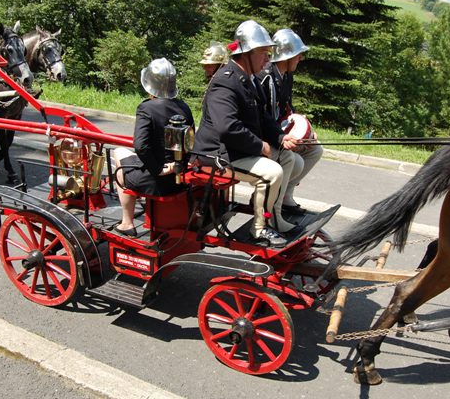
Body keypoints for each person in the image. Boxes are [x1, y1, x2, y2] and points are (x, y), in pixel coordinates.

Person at [193, 20, 301, 247]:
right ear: (247, 53)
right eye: (263, 53)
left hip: (235, 150)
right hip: (217, 154)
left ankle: (274, 217)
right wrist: (259, 146)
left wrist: (281, 138)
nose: (267, 59)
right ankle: (260, 229)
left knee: (288, 158)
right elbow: (227, 128)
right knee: (272, 173)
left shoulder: (248, 78)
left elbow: (263, 116)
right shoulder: (225, 82)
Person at [113, 58, 194, 237]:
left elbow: (141, 146)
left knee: (118, 156)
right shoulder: (184, 107)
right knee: (124, 154)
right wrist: (175, 166)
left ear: (150, 86)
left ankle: (127, 223)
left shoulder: (146, 108)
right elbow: (189, 142)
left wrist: (158, 169)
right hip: (178, 178)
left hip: (157, 181)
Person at [257, 28, 323, 215]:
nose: (300, 59)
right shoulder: (266, 76)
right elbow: (263, 116)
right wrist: (282, 138)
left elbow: (288, 108)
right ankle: (272, 209)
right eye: (297, 54)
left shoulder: (287, 75)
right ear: (286, 56)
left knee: (315, 148)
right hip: (267, 137)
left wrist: (305, 131)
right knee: (296, 162)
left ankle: (286, 195)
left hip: (280, 133)